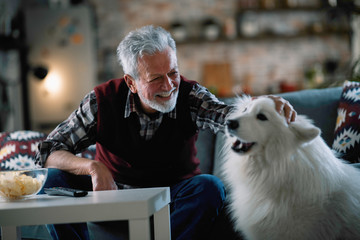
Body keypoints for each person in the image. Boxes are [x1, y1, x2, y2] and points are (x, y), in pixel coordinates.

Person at [35, 25, 296, 240]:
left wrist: (259, 106)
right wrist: (93, 167)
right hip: (113, 200)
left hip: (171, 203)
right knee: (54, 180)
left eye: (173, 73)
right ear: (131, 83)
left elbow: (227, 116)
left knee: (210, 187)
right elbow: (48, 151)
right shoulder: (101, 101)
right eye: (156, 78)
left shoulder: (191, 96)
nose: (169, 85)